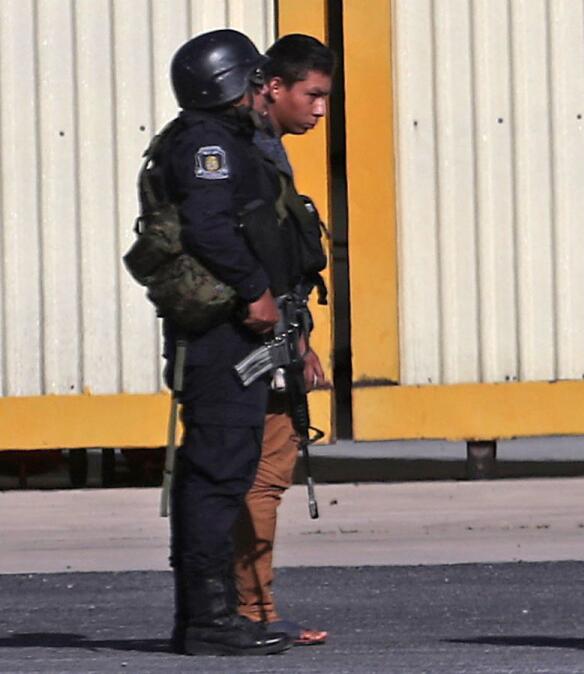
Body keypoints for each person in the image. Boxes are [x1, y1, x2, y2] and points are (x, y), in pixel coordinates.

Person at [156, 29, 293, 656]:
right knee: (216, 473)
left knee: (220, 471)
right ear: (232, 84)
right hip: (219, 338)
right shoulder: (209, 142)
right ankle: (208, 622)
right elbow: (210, 227)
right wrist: (253, 290)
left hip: (222, 335)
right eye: (254, 79)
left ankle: (206, 618)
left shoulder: (216, 139)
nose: (263, 90)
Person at [233, 33, 334, 648]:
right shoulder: (254, 152)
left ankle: (250, 604)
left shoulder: (260, 147)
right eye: (312, 95)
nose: (320, 110)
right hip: (263, 340)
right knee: (264, 476)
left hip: (276, 331)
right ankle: (255, 607)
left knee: (255, 474)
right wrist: (292, 340)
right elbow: (264, 258)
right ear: (274, 87)